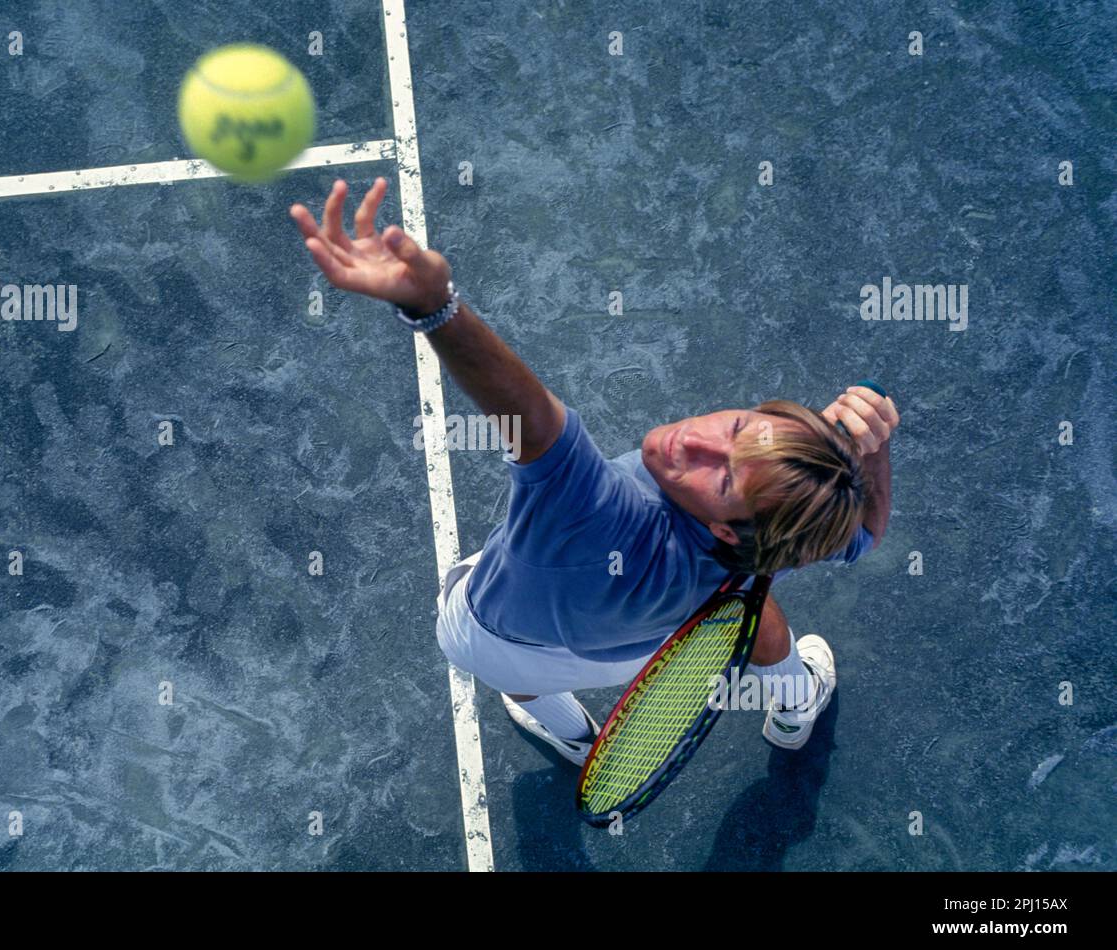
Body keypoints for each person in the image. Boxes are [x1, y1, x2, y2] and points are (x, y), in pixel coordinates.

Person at [290, 178, 899, 764]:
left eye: (724, 479)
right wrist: (868, 450)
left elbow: (528, 415)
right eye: (739, 430)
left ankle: (574, 737)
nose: (697, 443)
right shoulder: (791, 532)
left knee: (504, 667)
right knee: (751, 604)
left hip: (499, 642)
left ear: (725, 527)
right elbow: (866, 532)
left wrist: (435, 309)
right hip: (655, 643)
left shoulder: (598, 517)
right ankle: (795, 705)